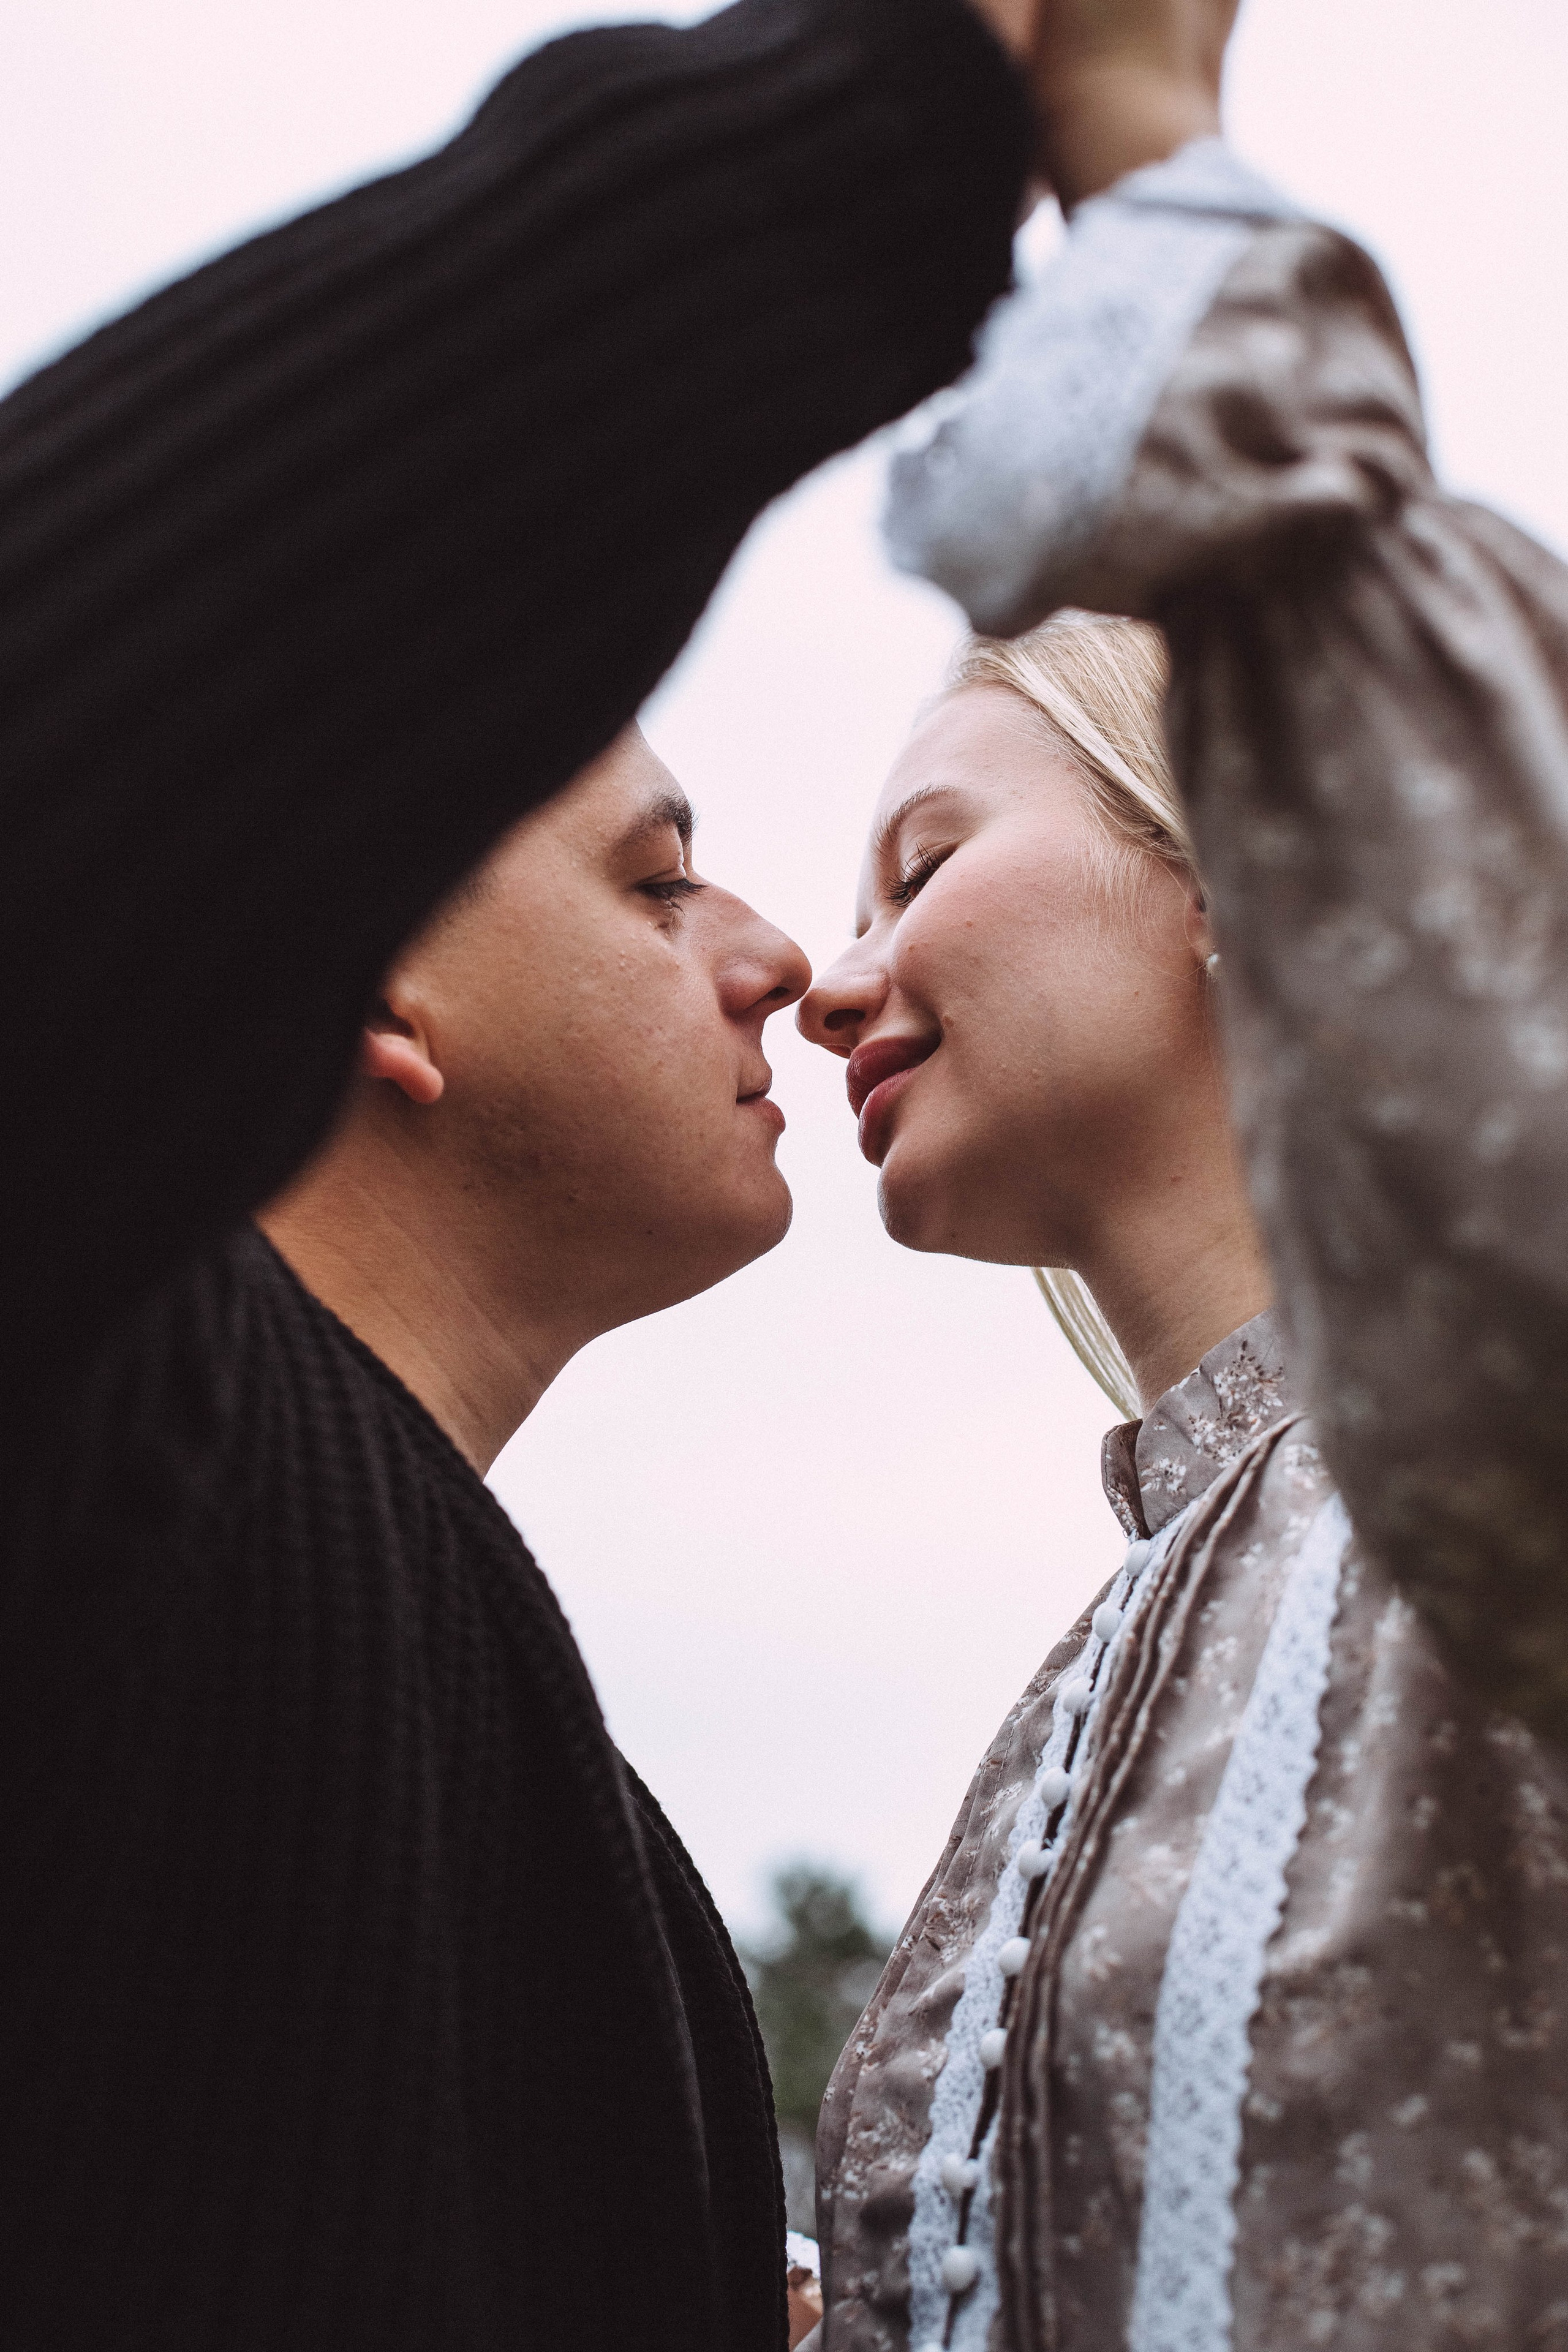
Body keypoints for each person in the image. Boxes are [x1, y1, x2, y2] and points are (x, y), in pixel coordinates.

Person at [0, 1, 1044, 2344]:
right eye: (657, 880)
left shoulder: (596, 1838)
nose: (788, 953)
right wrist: (892, 110)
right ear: (358, 981)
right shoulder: (110, 1422)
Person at [796, 0, 1568, 2339]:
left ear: (1248, 848)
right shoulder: (1104, 1652)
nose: (833, 980)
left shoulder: (1503, 1448)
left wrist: (1139, 141)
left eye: (921, 862)